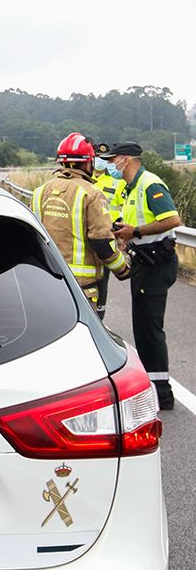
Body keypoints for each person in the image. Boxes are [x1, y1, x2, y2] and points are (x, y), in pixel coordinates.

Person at [107, 142, 185, 410]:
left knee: (150, 329)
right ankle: (151, 385)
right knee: (142, 327)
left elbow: (173, 219)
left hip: (156, 264)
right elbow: (127, 218)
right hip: (143, 261)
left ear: (125, 160)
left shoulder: (149, 184)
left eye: (112, 159)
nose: (109, 165)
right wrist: (123, 233)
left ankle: (162, 392)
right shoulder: (128, 186)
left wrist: (136, 232)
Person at [31, 133, 130, 322]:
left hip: (47, 281)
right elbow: (102, 242)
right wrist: (123, 269)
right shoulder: (91, 194)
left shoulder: (40, 192)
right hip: (81, 288)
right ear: (87, 163)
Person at [91, 143, 125, 318]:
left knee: (103, 278)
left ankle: (100, 315)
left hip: (108, 235)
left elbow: (124, 209)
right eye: (97, 157)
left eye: (104, 159)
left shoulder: (117, 183)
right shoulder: (85, 180)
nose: (100, 162)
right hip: (86, 234)